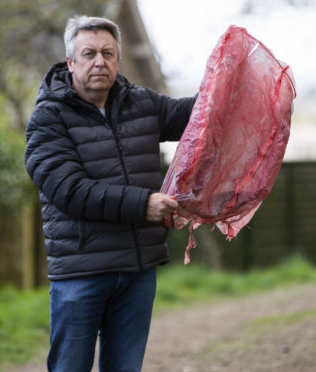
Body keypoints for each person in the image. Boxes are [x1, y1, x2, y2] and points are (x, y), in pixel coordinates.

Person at [24, 15, 196, 372]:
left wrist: (228, 79)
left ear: (118, 60)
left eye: (108, 53)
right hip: (81, 272)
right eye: (88, 54)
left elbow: (195, 117)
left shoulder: (141, 103)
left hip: (137, 271)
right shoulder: (47, 119)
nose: (99, 61)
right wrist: (142, 205)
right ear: (70, 62)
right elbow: (69, 191)